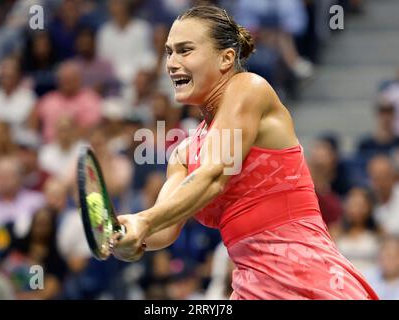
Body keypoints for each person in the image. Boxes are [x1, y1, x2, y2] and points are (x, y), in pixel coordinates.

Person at [111, 5, 379, 300]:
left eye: (185, 50)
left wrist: (145, 221)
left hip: (310, 279)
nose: (172, 63)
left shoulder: (249, 89)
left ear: (226, 58)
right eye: (169, 52)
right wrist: (127, 234)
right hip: (251, 289)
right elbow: (164, 229)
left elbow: (214, 178)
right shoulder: (184, 153)